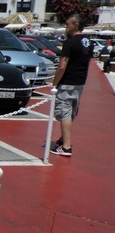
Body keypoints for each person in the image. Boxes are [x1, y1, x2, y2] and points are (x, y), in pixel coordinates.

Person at [49, 14, 94, 157]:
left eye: (68, 24)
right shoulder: (89, 43)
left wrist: (54, 83)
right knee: (71, 112)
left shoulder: (70, 43)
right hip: (80, 82)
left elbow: (62, 66)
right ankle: (63, 139)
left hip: (67, 82)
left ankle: (66, 147)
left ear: (76, 25)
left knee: (64, 112)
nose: (65, 26)